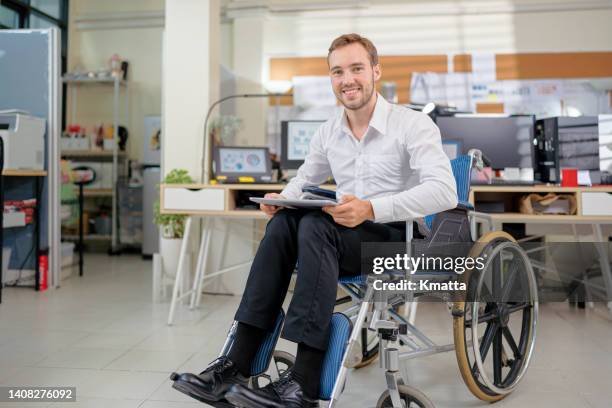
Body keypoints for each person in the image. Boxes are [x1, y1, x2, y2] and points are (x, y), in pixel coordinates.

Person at [171, 33, 457, 408]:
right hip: (341, 235)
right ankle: (235, 363)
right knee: (286, 222)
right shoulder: (329, 131)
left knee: (316, 226)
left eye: (356, 68)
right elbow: (304, 180)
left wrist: (370, 208)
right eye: (337, 71)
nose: (347, 79)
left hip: (394, 239)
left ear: (376, 71)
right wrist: (282, 200)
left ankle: (303, 381)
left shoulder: (412, 125)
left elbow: (444, 193)